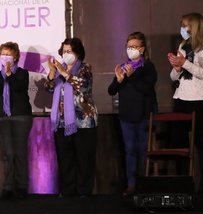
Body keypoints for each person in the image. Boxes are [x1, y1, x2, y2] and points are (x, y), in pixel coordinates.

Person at [168, 12, 203, 193]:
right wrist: (176, 67)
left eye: (185, 25)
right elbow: (174, 76)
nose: (182, 29)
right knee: (178, 143)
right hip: (181, 98)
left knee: (202, 145)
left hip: (201, 100)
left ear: (194, 26)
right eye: (181, 25)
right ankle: (183, 184)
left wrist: (186, 63)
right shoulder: (184, 44)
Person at [46, 37, 98, 197]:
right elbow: (49, 89)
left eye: (69, 51)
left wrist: (63, 72)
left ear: (77, 53)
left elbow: (82, 86)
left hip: (83, 121)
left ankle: (84, 191)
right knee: (65, 158)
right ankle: (67, 190)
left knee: (84, 158)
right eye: (64, 51)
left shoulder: (84, 68)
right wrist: (53, 74)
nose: (66, 54)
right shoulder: (60, 70)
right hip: (62, 122)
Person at [108, 32, 157, 196]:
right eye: (129, 47)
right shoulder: (123, 66)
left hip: (143, 115)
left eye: (135, 47)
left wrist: (132, 76)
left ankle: (143, 183)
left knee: (143, 149)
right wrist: (120, 79)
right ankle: (131, 184)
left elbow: (147, 88)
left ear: (142, 49)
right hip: (126, 116)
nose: (131, 50)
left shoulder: (147, 67)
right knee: (129, 150)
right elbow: (111, 90)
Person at [0, 42, 33, 199]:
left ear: (16, 56)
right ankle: (8, 186)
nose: (5, 57)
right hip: (3, 118)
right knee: (7, 153)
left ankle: (22, 187)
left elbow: (19, 87)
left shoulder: (22, 73)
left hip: (21, 117)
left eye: (8, 54)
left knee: (20, 153)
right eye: (3, 54)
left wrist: (10, 74)